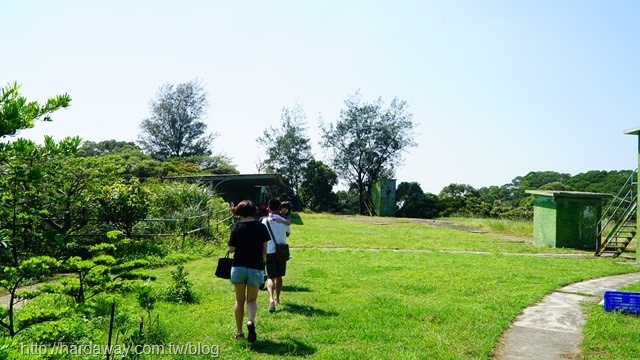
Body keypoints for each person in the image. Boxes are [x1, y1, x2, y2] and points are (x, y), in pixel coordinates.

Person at [227, 200, 270, 342]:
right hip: (255, 267)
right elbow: (265, 251)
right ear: (254, 212)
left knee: (239, 300)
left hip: (239, 266)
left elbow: (231, 249)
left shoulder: (237, 227)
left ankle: (239, 332)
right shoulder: (261, 227)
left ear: (240, 212)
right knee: (252, 299)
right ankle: (250, 321)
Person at [261, 198, 289, 313]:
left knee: (270, 277)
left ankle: (271, 299)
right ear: (279, 208)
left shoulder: (264, 221)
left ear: (268, 207)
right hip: (281, 252)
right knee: (279, 276)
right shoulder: (284, 220)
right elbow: (288, 234)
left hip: (270, 251)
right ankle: (278, 298)